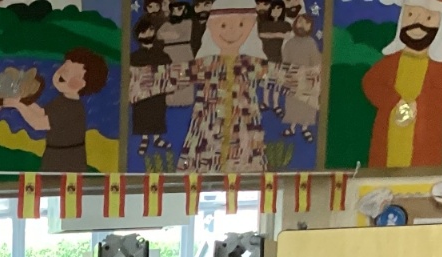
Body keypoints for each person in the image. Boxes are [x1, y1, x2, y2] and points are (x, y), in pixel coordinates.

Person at [129, 0, 319, 172]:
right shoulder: (207, 64)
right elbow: (175, 75)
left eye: (241, 25)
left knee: (245, 162)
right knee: (203, 159)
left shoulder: (250, 64)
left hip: (244, 124)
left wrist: (313, 81)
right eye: (223, 25)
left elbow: (280, 75)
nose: (231, 32)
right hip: (208, 124)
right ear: (212, 27)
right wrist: (138, 81)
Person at [362, 0, 442, 168]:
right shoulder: (390, 62)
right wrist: (395, 101)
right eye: (410, 14)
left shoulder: (439, 69)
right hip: (388, 138)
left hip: (423, 141)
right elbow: (371, 83)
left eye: (428, 18)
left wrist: (420, 104)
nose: (416, 24)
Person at [13, 48, 108, 172]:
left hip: (67, 162)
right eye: (64, 68)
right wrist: (23, 100)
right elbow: (41, 112)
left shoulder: (73, 109)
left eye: (72, 74)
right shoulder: (61, 100)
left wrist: (17, 104)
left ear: (82, 84)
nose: (62, 74)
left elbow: (39, 123)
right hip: (54, 157)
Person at [132, 20, 174, 158]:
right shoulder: (134, 57)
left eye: (151, 30)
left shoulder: (162, 55)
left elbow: (168, 73)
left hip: (157, 93)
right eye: (144, 32)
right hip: (141, 93)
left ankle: (157, 138)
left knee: (158, 112)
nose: (148, 34)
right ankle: (144, 138)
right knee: (142, 113)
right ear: (139, 36)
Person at [281, 11, 322, 140]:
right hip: (293, 78)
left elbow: (316, 63)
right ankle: (292, 127)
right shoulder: (289, 43)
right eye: (299, 22)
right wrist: (287, 75)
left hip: (307, 79)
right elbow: (285, 62)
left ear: (310, 27)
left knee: (308, 105)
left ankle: (305, 128)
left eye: (305, 23)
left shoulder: (311, 43)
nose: (302, 25)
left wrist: (310, 74)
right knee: (293, 104)